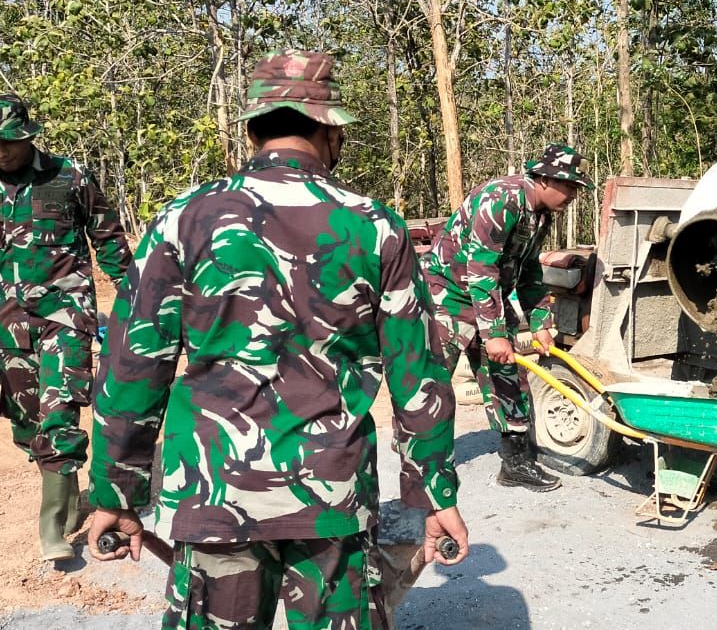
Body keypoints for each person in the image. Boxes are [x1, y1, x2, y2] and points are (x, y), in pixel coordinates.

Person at [86, 50, 467, 629]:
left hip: (214, 493)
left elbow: (134, 365)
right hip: (330, 499)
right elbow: (419, 376)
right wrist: (435, 493)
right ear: (332, 130)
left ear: (250, 131)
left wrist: (115, 491)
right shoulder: (374, 225)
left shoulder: (184, 218)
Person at [0, 94, 132, 561]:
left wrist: (134, 298)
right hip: (7, 320)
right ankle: (57, 477)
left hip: (67, 313)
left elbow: (107, 237)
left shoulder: (69, 177)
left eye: (9, 143)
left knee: (61, 409)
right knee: (29, 421)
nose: (0, 153)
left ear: (29, 136)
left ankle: (55, 529)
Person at [420, 143, 590, 492]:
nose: (573, 194)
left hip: (486, 297)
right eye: (568, 185)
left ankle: (516, 463)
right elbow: (480, 268)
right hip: (448, 295)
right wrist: (494, 333)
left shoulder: (540, 215)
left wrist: (542, 322)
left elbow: (528, 272)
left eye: (576, 187)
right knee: (434, 381)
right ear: (543, 179)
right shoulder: (502, 199)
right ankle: (423, 464)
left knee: (508, 376)